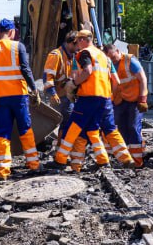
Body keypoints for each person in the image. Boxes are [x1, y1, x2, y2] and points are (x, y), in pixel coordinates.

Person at [53, 29, 135, 171]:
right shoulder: (104, 57)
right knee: (104, 129)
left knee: (73, 126)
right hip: (105, 98)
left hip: (88, 97)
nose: (76, 44)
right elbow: (115, 81)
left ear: (84, 40)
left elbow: (87, 71)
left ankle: (60, 159)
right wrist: (111, 97)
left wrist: (74, 84)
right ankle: (124, 158)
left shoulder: (84, 53)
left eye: (78, 41)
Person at [0, 19, 41, 179]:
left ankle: (2, 171)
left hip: (0, 97)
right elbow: (25, 69)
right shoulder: (18, 46)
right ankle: (34, 164)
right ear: (11, 32)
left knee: (3, 133)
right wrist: (34, 89)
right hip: (19, 96)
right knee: (25, 128)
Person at [106, 40, 149, 166]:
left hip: (135, 100)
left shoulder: (130, 61)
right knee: (121, 129)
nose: (112, 61)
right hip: (120, 100)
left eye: (113, 57)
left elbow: (143, 79)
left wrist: (143, 99)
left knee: (133, 126)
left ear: (118, 51)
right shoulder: (109, 63)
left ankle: (137, 161)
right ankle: (126, 159)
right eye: (110, 59)